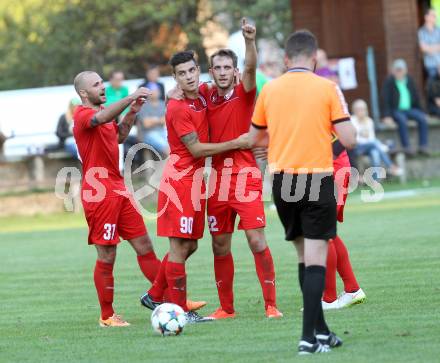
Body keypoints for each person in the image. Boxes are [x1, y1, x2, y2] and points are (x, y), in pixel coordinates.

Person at [248, 30, 357, 355]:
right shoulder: (327, 88)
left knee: (302, 257)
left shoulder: (270, 90)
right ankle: (308, 337)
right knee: (316, 260)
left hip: (282, 181)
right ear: (313, 58)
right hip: (316, 178)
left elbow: (255, 139)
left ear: (285, 59)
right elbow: (349, 139)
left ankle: (321, 332)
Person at [139, 51, 249, 323]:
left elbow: (221, 85)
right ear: (174, 78)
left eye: (191, 71)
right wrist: (236, 143)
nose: (188, 77)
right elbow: (196, 148)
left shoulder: (201, 94)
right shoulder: (176, 107)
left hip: (196, 182)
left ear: (198, 70)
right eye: (181, 73)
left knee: (190, 246)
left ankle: (155, 294)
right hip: (180, 182)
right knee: (179, 248)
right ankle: (180, 312)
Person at [197, 19, 282, 320]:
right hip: (216, 182)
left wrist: (249, 40)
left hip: (245, 178)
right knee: (220, 245)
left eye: (226, 68)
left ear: (234, 71)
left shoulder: (244, 92)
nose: (222, 73)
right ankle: (226, 308)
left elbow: (251, 68)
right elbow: (178, 93)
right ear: (211, 72)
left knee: (256, 240)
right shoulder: (204, 94)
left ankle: (271, 305)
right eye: (217, 68)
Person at [72, 71, 163, 327]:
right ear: (83, 93)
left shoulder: (104, 112)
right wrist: (132, 95)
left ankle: (168, 298)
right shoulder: (82, 115)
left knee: (144, 245)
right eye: (96, 84)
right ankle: (106, 315)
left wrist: (133, 110)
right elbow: (100, 118)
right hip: (99, 191)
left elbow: (119, 135)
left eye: (102, 82)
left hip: (118, 186)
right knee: (107, 254)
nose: (102, 87)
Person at [322, 136, 366, 310]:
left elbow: (347, 135)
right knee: (326, 232)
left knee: (322, 232)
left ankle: (329, 299)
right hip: (321, 168)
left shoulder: (331, 107)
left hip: (330, 169)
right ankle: (352, 289)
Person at [382, 59, 429, 156]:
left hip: (410, 109)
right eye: (397, 70)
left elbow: (417, 97)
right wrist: (387, 116)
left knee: (422, 118)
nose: (399, 72)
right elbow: (385, 99)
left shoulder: (410, 80)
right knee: (402, 120)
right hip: (396, 110)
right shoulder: (389, 82)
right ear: (393, 71)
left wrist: (423, 112)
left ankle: (423, 146)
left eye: (401, 70)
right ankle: (406, 147)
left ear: (405, 70)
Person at [351, 99, 402, 178]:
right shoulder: (352, 120)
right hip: (357, 148)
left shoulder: (369, 121)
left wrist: (367, 139)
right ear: (354, 110)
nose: (361, 111)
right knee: (374, 143)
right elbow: (356, 139)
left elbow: (371, 137)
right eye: (359, 109)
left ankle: (375, 180)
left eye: (363, 109)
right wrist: (366, 139)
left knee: (375, 153)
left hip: (370, 147)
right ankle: (391, 165)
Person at [137, 83, 169, 156]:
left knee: (175, 142)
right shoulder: (143, 105)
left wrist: (153, 120)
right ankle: (175, 166)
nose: (155, 92)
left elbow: (165, 120)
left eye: (156, 90)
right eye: (153, 91)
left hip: (161, 131)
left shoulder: (162, 104)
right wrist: (159, 120)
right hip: (147, 134)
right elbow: (146, 124)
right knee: (166, 147)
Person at [418, 8, 440, 79]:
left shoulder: (438, 30)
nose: (435, 17)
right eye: (433, 15)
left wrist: (429, 48)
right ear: (426, 17)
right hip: (430, 65)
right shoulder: (421, 32)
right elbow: (423, 49)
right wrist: (436, 47)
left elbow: (427, 48)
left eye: (435, 16)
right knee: (433, 87)